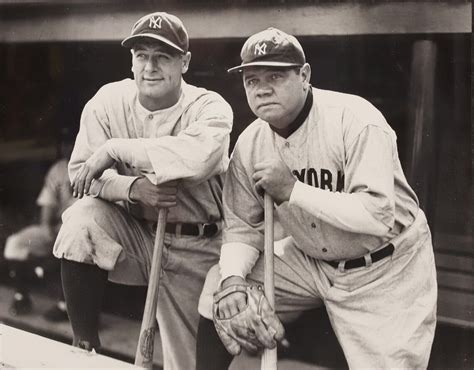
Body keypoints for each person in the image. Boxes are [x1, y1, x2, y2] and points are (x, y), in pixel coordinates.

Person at [196, 27, 437, 369]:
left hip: (385, 266)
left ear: (304, 75)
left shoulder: (355, 120)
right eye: (252, 80)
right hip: (310, 262)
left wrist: (293, 190)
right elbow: (242, 225)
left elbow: (377, 215)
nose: (262, 88)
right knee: (219, 289)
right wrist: (234, 279)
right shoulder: (250, 144)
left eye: (275, 76)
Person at [52, 11, 233, 370]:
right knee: (80, 219)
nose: (150, 67)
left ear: (185, 62)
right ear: (132, 62)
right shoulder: (107, 101)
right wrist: (132, 188)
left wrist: (116, 149)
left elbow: (196, 159)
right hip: (138, 238)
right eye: (141, 56)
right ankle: (85, 344)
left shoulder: (209, 107)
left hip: (199, 246)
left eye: (162, 56)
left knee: (189, 364)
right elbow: (79, 176)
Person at [4, 128, 76, 321]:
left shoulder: (96, 167)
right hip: (56, 227)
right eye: (65, 144)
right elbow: (47, 201)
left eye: (72, 143)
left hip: (79, 231)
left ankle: (66, 307)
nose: (68, 148)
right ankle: (22, 296)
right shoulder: (59, 168)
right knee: (15, 243)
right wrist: (45, 226)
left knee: (72, 251)